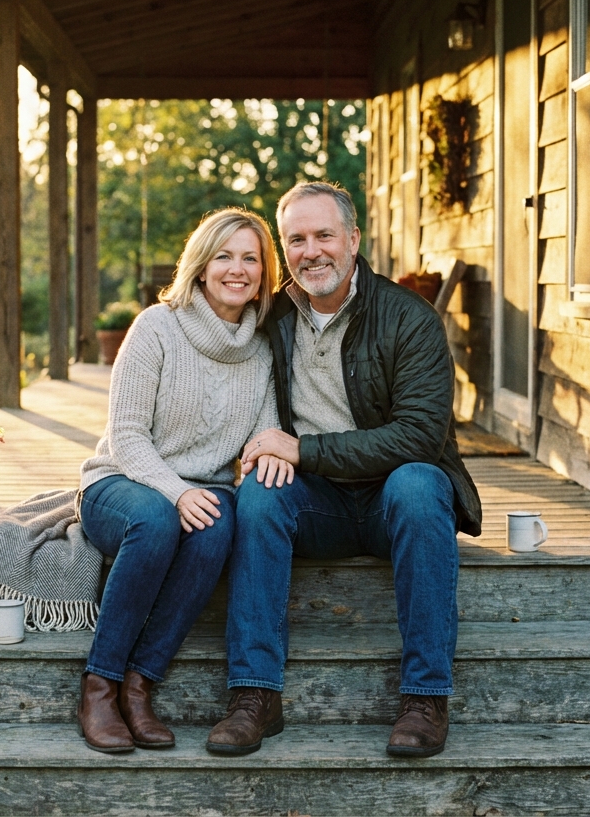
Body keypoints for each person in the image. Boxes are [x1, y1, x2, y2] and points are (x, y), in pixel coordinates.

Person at [206, 181, 482, 758]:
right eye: (296, 240)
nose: (312, 251)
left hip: (394, 500)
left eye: (324, 235)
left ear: (354, 240)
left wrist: (302, 449)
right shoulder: (272, 315)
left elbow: (418, 436)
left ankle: (425, 697)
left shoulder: (410, 319)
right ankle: (254, 695)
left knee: (419, 482)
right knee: (257, 493)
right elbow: (202, 334)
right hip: (317, 505)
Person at [76, 207, 293, 754]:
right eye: (224, 256)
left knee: (219, 529)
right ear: (201, 267)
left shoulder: (263, 348)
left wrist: (266, 461)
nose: (237, 269)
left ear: (265, 273)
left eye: (251, 258)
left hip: (204, 493)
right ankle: (99, 686)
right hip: (122, 483)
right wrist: (176, 492)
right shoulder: (157, 326)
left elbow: (265, 431)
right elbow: (125, 436)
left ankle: (140, 684)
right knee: (154, 522)